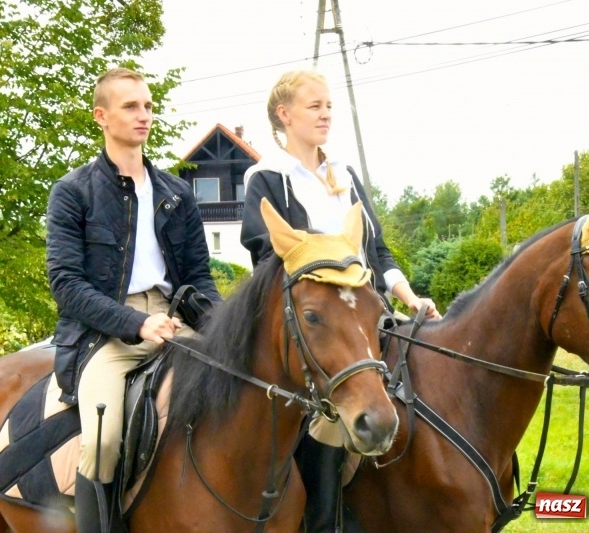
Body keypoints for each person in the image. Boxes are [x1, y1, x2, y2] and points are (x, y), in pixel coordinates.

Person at [240, 69, 440, 532]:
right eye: (315, 106)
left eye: (329, 105)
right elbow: (264, 254)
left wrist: (408, 296)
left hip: (365, 316)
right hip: (314, 328)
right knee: (331, 417)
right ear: (284, 115)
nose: (326, 113)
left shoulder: (344, 175)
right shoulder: (265, 178)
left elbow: (378, 251)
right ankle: (323, 520)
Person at [46, 67, 221, 533]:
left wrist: (224, 331)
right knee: (102, 441)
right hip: (104, 336)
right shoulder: (72, 192)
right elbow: (66, 283)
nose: (143, 115)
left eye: (147, 105)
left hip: (176, 323)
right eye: (130, 106)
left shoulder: (177, 194)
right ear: (100, 116)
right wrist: (136, 323)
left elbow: (199, 278)